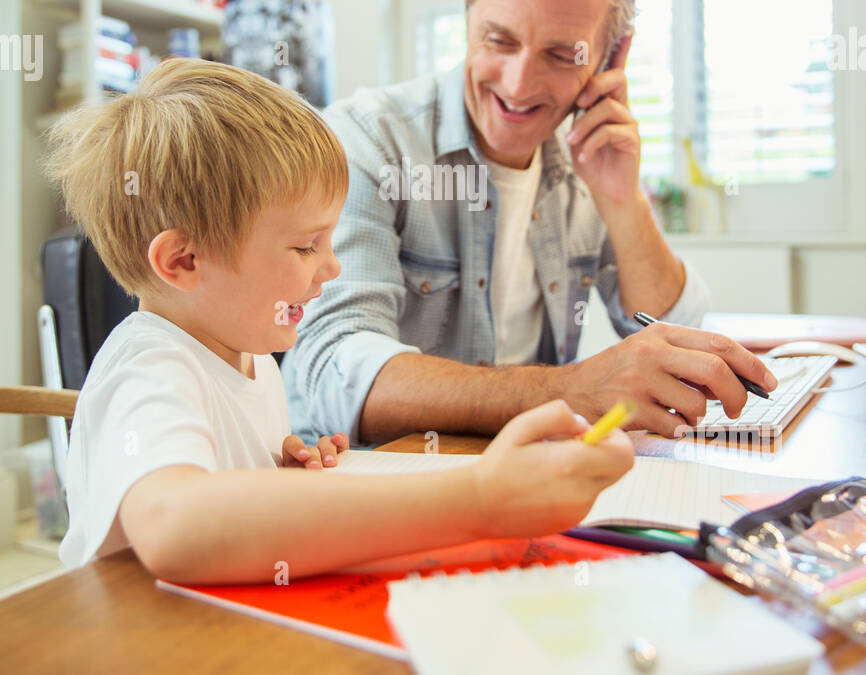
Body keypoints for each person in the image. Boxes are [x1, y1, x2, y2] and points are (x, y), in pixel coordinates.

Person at [44, 58, 633, 584]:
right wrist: (479, 498)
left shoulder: (247, 356)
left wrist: (279, 478)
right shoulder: (153, 367)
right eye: (305, 247)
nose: (331, 267)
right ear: (184, 261)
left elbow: (223, 498)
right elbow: (174, 526)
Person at [285, 0, 776, 445]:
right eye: (499, 39)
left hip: (515, 475)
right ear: (467, 18)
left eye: (562, 55)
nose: (519, 85)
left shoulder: (587, 152)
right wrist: (574, 388)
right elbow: (337, 372)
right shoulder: (366, 140)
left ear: (613, 54)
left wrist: (622, 199)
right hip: (375, 485)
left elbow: (685, 337)